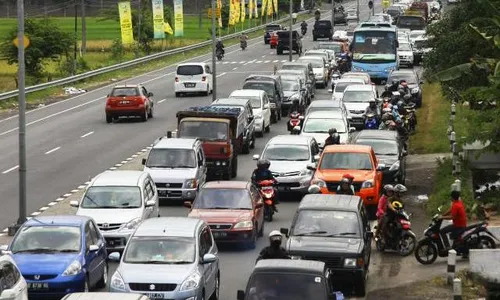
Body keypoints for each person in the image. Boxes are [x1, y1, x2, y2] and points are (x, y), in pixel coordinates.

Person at [439, 191, 468, 257]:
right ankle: (459, 250)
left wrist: (442, 217)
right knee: (454, 237)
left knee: (442, 231)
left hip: (458, 226)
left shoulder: (456, 205)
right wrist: (443, 215)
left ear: (452, 197)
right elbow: (450, 210)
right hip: (461, 224)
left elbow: (452, 217)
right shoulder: (458, 203)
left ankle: (447, 247)